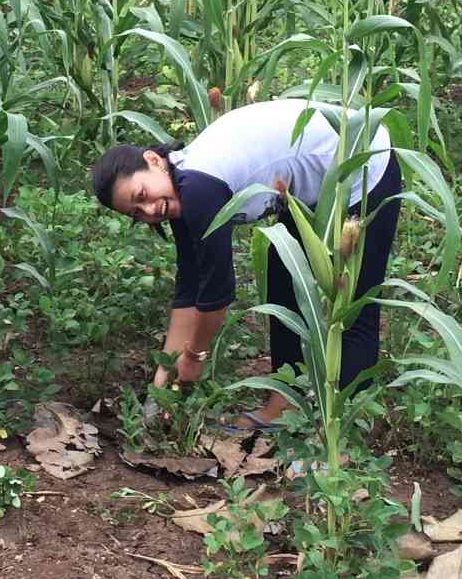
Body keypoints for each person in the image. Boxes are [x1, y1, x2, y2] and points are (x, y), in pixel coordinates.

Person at [88, 98, 403, 430]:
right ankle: (282, 408)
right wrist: (161, 387)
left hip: (363, 164)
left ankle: (343, 439)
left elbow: (215, 299)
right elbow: (189, 291)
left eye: (142, 196)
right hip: (313, 189)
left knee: (353, 309)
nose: (149, 211)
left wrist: (194, 358)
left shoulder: (197, 188)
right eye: (136, 213)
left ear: (153, 161)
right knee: (285, 282)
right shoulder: (179, 192)